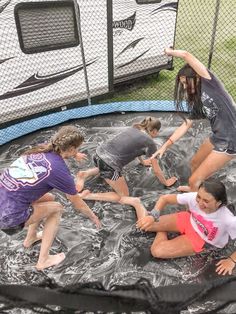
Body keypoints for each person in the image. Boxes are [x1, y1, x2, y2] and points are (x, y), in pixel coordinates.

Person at [0, 125, 100, 270]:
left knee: (49, 197)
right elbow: (77, 203)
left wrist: (73, 154)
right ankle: (43, 260)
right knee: (57, 208)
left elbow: (60, 149)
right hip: (8, 218)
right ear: (71, 148)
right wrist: (93, 216)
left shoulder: (42, 148)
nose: (77, 152)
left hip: (4, 200)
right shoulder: (59, 170)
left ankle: (30, 238)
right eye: (76, 149)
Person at [152, 48, 236, 192]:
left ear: (197, 77)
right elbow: (186, 125)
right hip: (218, 136)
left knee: (193, 180)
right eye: (182, 84)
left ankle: (195, 205)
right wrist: (164, 146)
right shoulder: (198, 99)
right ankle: (196, 191)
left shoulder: (210, 82)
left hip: (231, 140)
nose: (184, 87)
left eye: (186, 83)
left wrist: (169, 52)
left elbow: (186, 54)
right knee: (195, 163)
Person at [120, 179, 236, 275]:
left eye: (206, 201)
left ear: (219, 203)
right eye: (199, 197)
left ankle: (162, 229)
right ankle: (137, 203)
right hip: (189, 220)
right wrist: (153, 215)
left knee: (157, 251)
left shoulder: (228, 220)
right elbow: (165, 198)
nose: (200, 203)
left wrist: (231, 261)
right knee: (144, 224)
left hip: (202, 240)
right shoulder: (194, 198)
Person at [76, 117, 177, 219]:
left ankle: (85, 173)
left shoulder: (134, 129)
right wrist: (166, 182)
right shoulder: (150, 142)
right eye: (157, 132)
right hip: (109, 164)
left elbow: (136, 147)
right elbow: (156, 170)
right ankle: (87, 196)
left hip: (98, 154)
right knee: (123, 196)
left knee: (106, 166)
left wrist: (142, 162)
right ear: (154, 131)